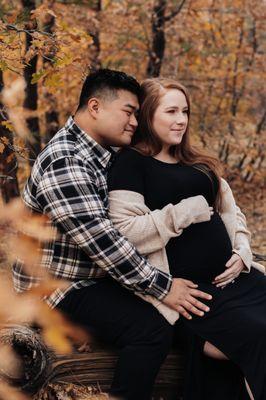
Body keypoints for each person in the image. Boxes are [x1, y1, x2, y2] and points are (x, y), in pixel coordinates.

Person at [13, 69, 215, 400]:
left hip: (95, 277)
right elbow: (103, 241)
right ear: (95, 107)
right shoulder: (65, 160)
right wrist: (165, 288)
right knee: (150, 330)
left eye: (138, 113)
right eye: (129, 111)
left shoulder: (105, 154)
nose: (135, 122)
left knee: (190, 322)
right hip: (57, 288)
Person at [107, 77, 266, 400]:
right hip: (191, 294)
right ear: (148, 114)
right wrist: (182, 212)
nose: (181, 119)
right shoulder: (130, 164)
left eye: (185, 111)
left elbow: (232, 215)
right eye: (171, 111)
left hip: (238, 281)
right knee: (259, 335)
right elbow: (125, 233)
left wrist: (242, 251)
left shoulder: (200, 163)